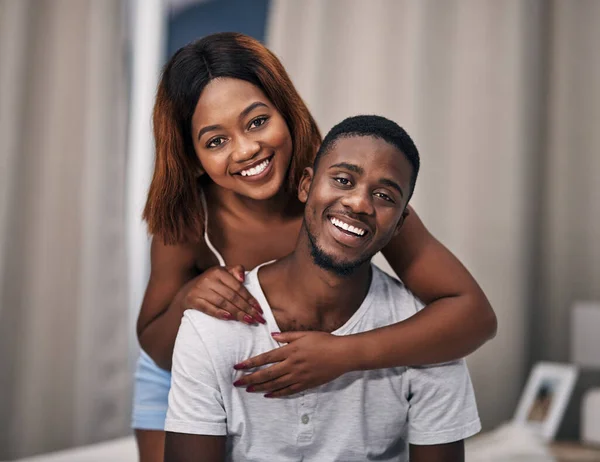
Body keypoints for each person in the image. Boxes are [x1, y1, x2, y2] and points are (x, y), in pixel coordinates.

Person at [134, 32, 495, 462]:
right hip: (182, 370)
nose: (247, 149)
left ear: (286, 111)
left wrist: (344, 354)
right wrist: (187, 300)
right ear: (191, 155)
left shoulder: (345, 197)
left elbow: (473, 315)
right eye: (216, 141)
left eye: (256, 122)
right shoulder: (191, 217)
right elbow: (156, 347)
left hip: (315, 361)